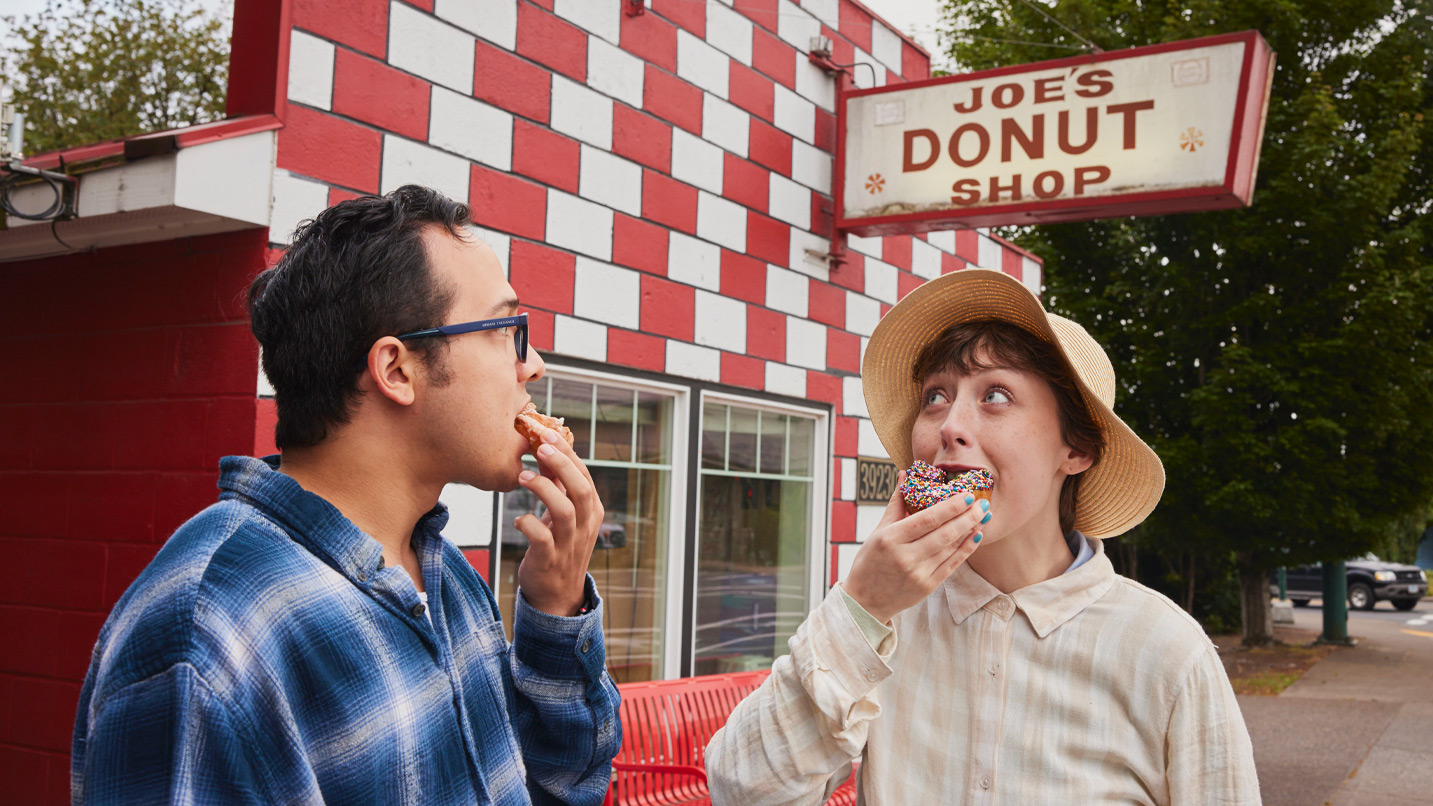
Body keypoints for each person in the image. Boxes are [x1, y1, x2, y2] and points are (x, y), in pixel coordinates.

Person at [71, 186, 620, 805]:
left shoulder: (446, 579)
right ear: (396, 370)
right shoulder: (208, 637)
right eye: (507, 329)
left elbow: (555, 792)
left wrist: (556, 610)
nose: (534, 364)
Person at [706, 268, 1260, 804]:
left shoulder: (1165, 652)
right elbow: (741, 791)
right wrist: (862, 607)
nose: (949, 425)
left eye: (995, 395)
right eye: (935, 397)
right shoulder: (883, 616)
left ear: (1076, 449)